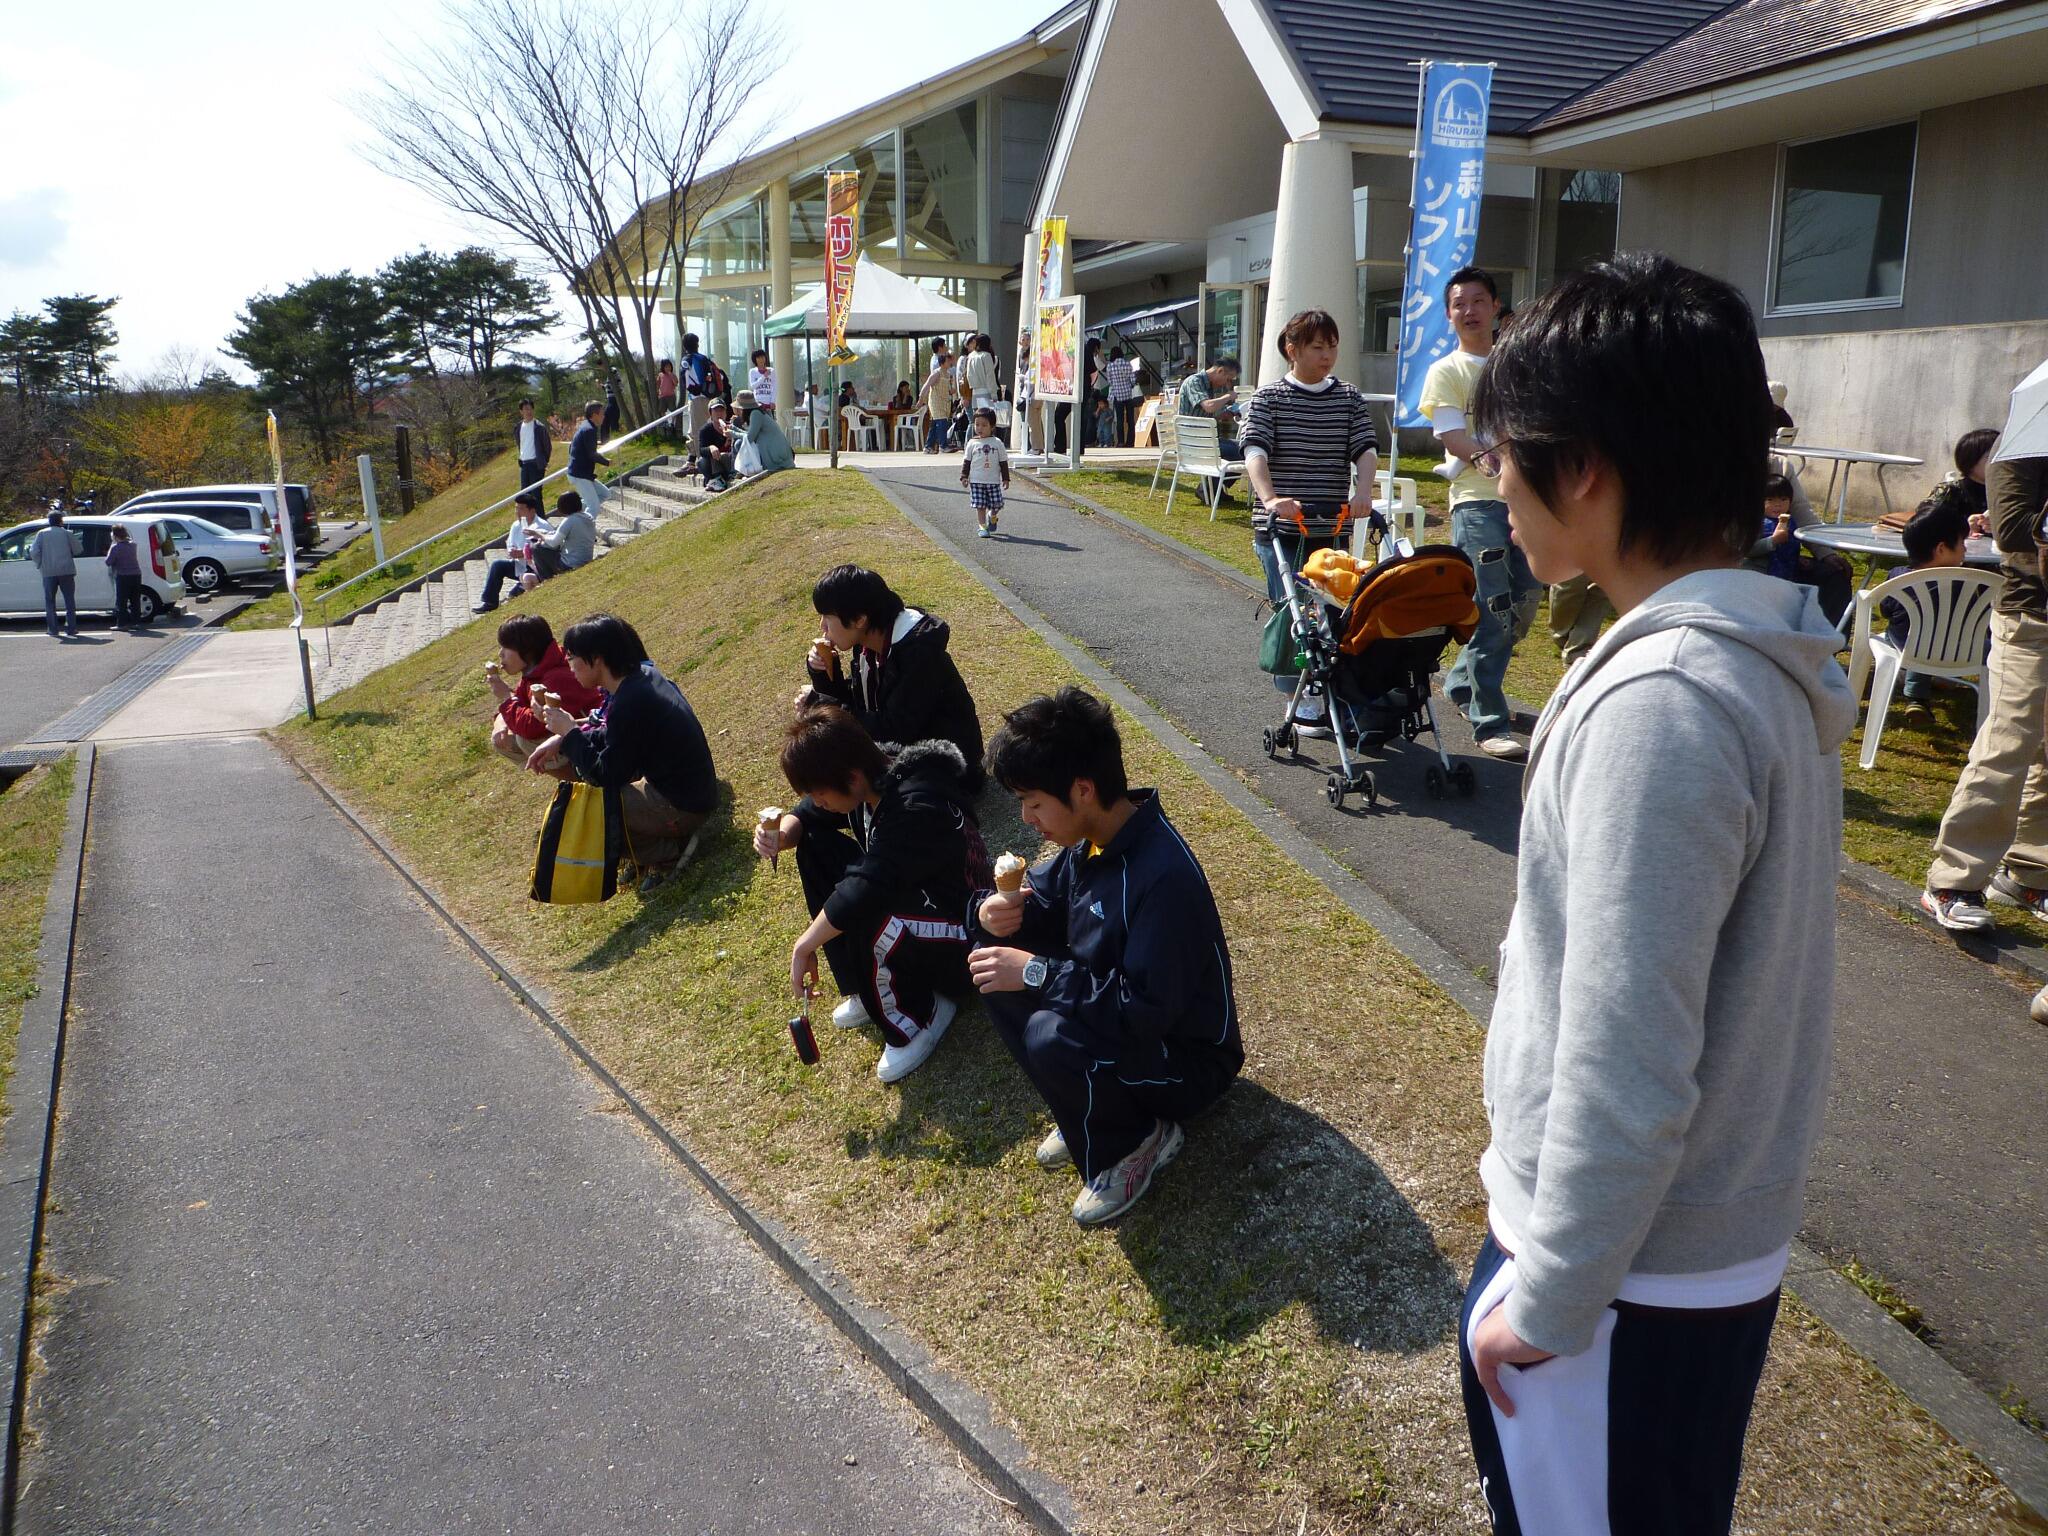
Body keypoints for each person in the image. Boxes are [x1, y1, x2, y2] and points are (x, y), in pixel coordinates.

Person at [1457, 253, 1854, 1535]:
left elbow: (1628, 1052)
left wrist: (1548, 1295)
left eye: (1504, 453)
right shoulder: (1746, 655)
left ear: (1582, 466)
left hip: (1621, 1279)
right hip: (1666, 1255)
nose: (1492, 481)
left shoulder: (1665, 702)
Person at [969, 687, 1241, 1226]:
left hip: (1187, 1064)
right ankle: (1086, 1109)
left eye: (1033, 802)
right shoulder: (1091, 841)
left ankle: (1138, 1141)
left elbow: (1143, 1012)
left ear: (1083, 789)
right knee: (992, 959)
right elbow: (1044, 901)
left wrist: (1037, 971)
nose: (1025, 817)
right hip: (1125, 1022)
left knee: (1049, 1032)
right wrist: (991, 912)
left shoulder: (1162, 877)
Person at [756, 707, 985, 1083]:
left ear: (852, 777)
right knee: (815, 847)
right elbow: (809, 815)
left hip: (965, 937)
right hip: (923, 904)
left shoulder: (915, 804)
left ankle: (920, 1015)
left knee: (863, 904)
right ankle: (865, 988)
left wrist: (804, 945)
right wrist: (783, 835)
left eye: (821, 793)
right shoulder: (873, 771)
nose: (819, 801)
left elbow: (866, 887)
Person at [1921, 441, 2048, 932]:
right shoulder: (2021, 446)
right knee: (2009, 741)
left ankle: (2029, 872)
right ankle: (1954, 879)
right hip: (2030, 617)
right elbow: (2012, 529)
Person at [1422, 266, 1543, 761]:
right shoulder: (1446, 371)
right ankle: (1488, 720)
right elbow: (1453, 437)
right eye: (1459, 303)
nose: (1469, 311)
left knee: (1525, 603)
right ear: (1448, 314)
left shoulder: (1518, 365)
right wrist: (1496, 460)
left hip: (1527, 500)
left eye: (1477, 301)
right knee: (1492, 610)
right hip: (1476, 501)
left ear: (1495, 307)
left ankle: (1462, 683)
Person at [1241, 309, 1379, 735]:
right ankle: (1297, 697)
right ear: (1292, 350)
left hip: (1331, 526)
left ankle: (1335, 693)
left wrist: (1362, 492)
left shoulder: (1349, 398)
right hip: (1282, 529)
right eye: (1317, 347)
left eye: (1332, 347)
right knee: (1294, 612)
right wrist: (1270, 498)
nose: (1327, 356)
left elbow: (1366, 449)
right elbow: (1255, 452)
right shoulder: (1269, 399)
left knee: (1336, 613)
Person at [527, 614, 720, 892]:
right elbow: (614, 737)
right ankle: (648, 849)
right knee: (592, 805)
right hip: (692, 792)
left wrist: (569, 733)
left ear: (596, 659)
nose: (569, 665)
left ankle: (667, 853)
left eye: (572, 657)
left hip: (685, 805)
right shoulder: (639, 680)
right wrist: (563, 739)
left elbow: (604, 775)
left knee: (591, 811)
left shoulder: (630, 700)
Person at [802, 563, 984, 788]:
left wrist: (824, 705)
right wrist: (822, 674)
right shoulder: (867, 644)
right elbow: (860, 703)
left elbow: (895, 728)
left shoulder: (919, 654)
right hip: (903, 756)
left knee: (837, 779)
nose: (822, 626)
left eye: (827, 617)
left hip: (947, 770)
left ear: (859, 619)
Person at [1879, 493, 1972, 714]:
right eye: (1962, 543)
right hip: (1960, 651)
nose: (1965, 549)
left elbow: (1885, 609)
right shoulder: (1969, 583)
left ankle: (1917, 697)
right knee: (1929, 637)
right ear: (1941, 549)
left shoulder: (1897, 576)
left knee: (1918, 637)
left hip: (1905, 646)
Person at [486, 612, 602, 773]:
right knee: (505, 739)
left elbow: (532, 727)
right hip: (575, 733)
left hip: (595, 738)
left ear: (526, 649)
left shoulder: (556, 677)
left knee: (525, 740)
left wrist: (506, 698)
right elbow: (519, 700)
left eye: (506, 647)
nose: (500, 654)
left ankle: (585, 779)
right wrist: (500, 720)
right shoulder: (536, 670)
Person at [1754, 473, 1853, 625]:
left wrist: (1824, 553)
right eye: (1770, 500)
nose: (1778, 505)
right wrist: (1772, 541)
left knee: (1835, 573)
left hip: (1789, 569)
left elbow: (1802, 513)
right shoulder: (1758, 523)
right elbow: (1746, 549)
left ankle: (1831, 633)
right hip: (1759, 572)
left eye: (1783, 500)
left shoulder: (1790, 519)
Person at [473, 490, 552, 613]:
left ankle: (519, 589)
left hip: (537, 567)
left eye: (521, 509)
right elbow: (510, 543)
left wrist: (524, 553)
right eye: (516, 509)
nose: (517, 513)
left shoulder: (542, 526)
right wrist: (511, 551)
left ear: (532, 510)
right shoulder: (516, 525)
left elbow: (545, 549)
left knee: (514, 595)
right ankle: (490, 602)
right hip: (520, 564)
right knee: (497, 565)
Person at [1176, 357, 1245, 463]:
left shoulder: (1208, 385)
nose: (1228, 384)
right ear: (1220, 370)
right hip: (1192, 441)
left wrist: (1226, 414)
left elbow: (1205, 415)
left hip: (1205, 439)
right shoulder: (1194, 381)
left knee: (1245, 446)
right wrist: (1228, 396)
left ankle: (1218, 476)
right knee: (1242, 452)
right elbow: (1208, 406)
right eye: (1228, 379)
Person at [962, 406, 1010, 538]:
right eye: (977, 425)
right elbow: (967, 461)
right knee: (980, 505)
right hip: (976, 481)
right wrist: (964, 476)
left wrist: (1006, 478)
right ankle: (982, 526)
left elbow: (1003, 462)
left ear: (992, 426)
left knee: (997, 504)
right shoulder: (972, 443)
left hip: (993, 480)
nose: (980, 428)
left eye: (984, 425)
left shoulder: (997, 443)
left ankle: (992, 516)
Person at [531, 489, 597, 581]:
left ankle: (546, 579)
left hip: (570, 564)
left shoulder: (570, 520)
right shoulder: (588, 517)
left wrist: (539, 535)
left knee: (536, 548)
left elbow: (554, 542)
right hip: (586, 558)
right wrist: (546, 535)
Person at [30, 510, 77, 639]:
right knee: (69, 600)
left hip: (48, 572)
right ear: (61, 521)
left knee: (50, 601)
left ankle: (53, 629)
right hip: (67, 571)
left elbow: (34, 551)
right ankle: (71, 628)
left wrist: (40, 564)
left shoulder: (42, 534)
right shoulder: (67, 533)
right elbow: (78, 549)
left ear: (49, 521)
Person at [565, 399, 611, 519]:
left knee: (605, 494)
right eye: (602, 413)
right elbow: (592, 454)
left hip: (582, 473)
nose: (604, 416)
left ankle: (574, 512)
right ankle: (585, 527)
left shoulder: (586, 426)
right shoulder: (589, 430)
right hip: (579, 474)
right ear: (594, 415)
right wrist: (607, 462)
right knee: (594, 506)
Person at [734, 390, 794, 476]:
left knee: (738, 443)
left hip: (776, 458)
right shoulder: (757, 413)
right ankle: (742, 472)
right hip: (776, 454)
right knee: (739, 442)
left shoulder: (755, 414)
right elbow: (750, 434)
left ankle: (742, 471)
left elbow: (750, 438)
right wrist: (733, 429)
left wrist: (733, 433)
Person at [105, 524, 143, 629]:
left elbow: (108, 562)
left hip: (123, 576)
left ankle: (121, 624)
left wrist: (111, 547)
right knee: (135, 600)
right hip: (136, 574)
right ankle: (136, 622)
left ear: (115, 535)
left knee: (121, 601)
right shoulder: (133, 545)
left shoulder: (115, 547)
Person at [918, 356, 957, 454]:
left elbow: (949, 389)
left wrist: (952, 391)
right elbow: (926, 385)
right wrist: (921, 398)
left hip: (945, 403)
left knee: (935, 425)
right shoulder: (936, 373)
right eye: (947, 361)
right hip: (936, 402)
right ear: (942, 363)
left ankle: (928, 447)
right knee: (942, 423)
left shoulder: (948, 375)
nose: (950, 362)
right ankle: (943, 446)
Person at [513, 398, 553, 492]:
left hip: (536, 464)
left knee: (536, 494)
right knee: (525, 494)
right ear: (521, 411)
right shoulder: (518, 427)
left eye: (530, 409)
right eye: (526, 409)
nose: (529, 411)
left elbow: (547, 447)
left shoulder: (539, 427)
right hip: (524, 464)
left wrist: (543, 461)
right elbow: (520, 444)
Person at [698, 399, 737, 490]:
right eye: (716, 411)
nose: (719, 413)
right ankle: (715, 479)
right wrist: (711, 448)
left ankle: (725, 477)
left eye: (722, 410)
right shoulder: (705, 430)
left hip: (730, 460)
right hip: (715, 462)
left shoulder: (732, 427)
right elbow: (701, 450)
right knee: (701, 461)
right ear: (710, 413)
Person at [680, 333, 713, 440]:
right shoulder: (703, 358)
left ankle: (700, 450)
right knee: (708, 427)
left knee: (698, 431)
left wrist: (693, 390)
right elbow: (710, 376)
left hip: (696, 398)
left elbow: (684, 378)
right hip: (708, 396)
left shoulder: (686, 360)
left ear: (685, 346)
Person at [1104, 345, 1136, 447]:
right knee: (1130, 420)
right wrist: (1129, 385)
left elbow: (1110, 382)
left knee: (1120, 419)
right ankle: (1130, 442)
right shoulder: (1128, 364)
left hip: (1117, 396)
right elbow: (1133, 380)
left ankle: (1121, 442)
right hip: (1128, 395)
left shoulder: (1110, 366)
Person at [748, 348, 777, 412]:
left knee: (769, 417)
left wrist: (772, 401)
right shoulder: (752, 371)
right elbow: (753, 386)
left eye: (762, 357)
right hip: (757, 403)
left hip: (768, 403)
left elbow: (775, 387)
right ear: (755, 359)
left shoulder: (771, 371)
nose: (761, 359)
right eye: (758, 357)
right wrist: (764, 376)